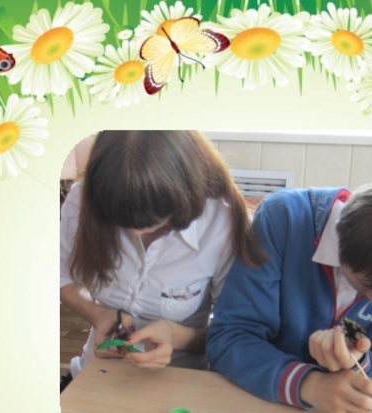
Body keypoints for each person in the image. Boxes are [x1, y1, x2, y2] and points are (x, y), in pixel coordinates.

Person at [206, 175, 372, 413]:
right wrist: (308, 384)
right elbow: (228, 339)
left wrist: (358, 362)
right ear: (339, 235)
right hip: (254, 405)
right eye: (366, 286)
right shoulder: (284, 218)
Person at [60, 130, 263, 378]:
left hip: (183, 380)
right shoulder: (83, 200)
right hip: (98, 372)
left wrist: (176, 337)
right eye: (119, 221)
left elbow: (235, 333)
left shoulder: (222, 224)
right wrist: (97, 314)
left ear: (184, 197)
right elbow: (61, 276)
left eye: (152, 222)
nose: (135, 233)